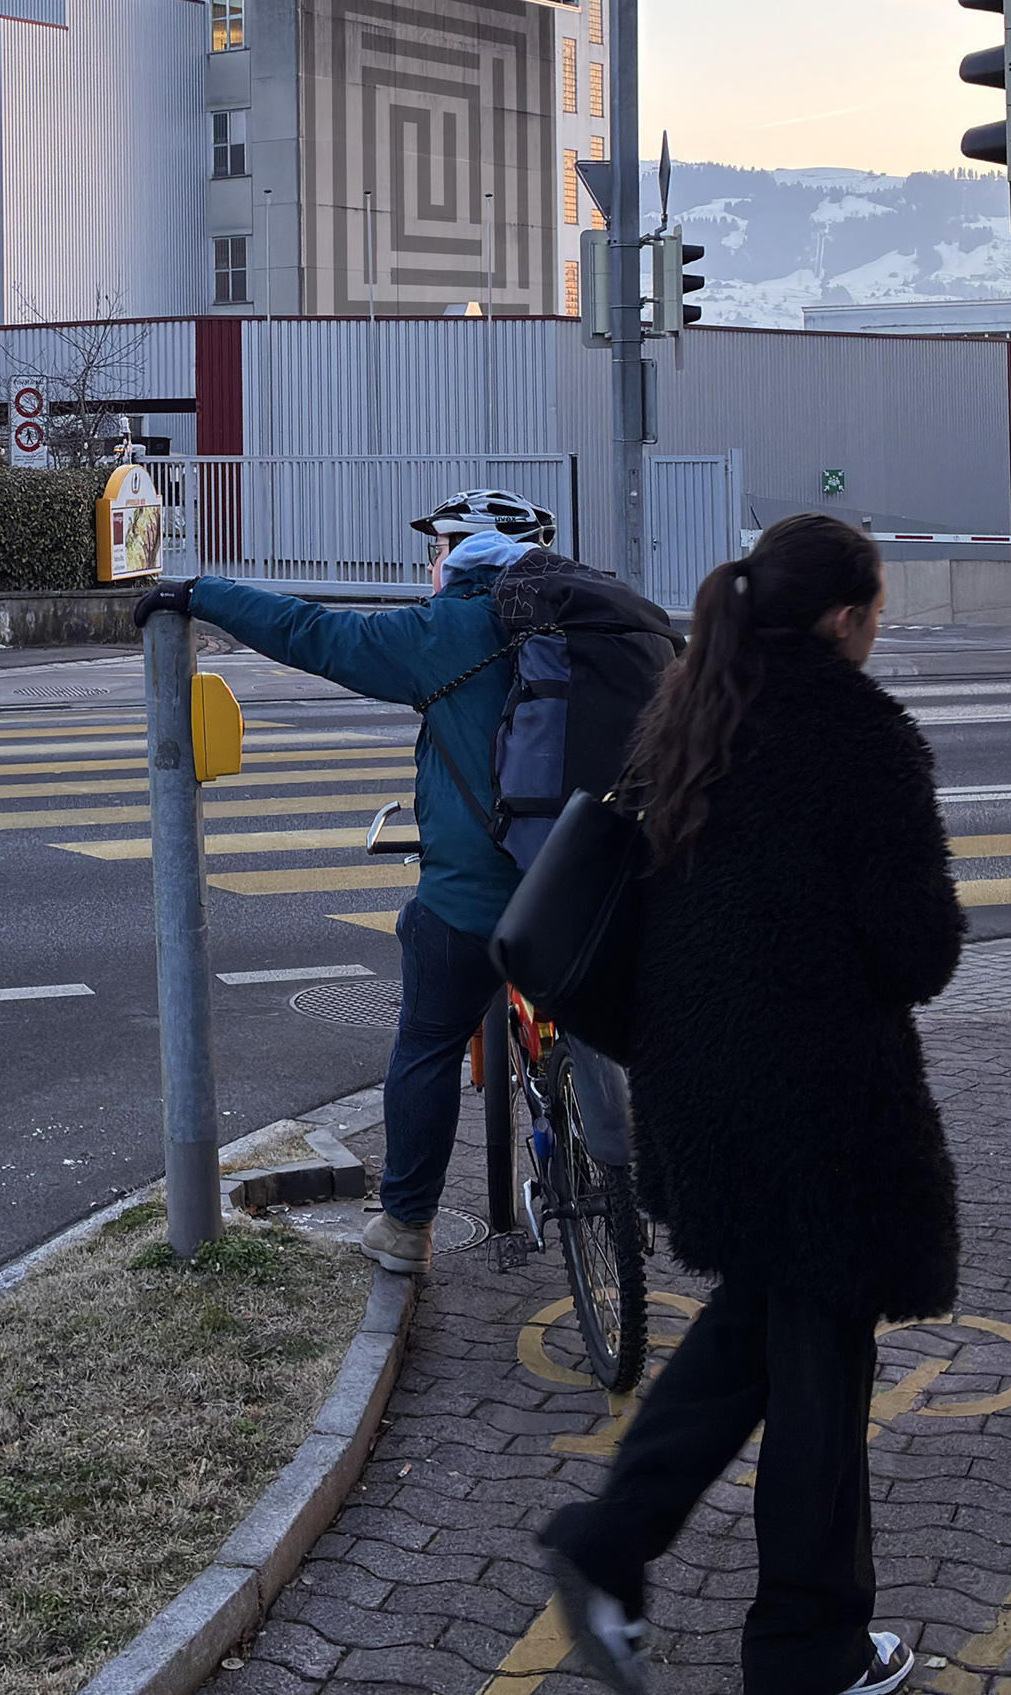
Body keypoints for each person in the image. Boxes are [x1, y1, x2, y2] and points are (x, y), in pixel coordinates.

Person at [538, 511, 962, 1695]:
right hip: (818, 1103)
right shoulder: (860, 737)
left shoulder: (690, 716)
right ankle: (805, 1646)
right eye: (876, 612)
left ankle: (610, 1538)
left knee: (755, 1322)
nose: (878, 634)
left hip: (699, 1088)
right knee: (822, 1347)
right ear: (845, 617)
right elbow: (919, 948)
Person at [133, 491, 673, 1276]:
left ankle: (408, 1226)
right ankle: (632, 1171)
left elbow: (313, 633)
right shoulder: (608, 622)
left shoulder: (445, 628)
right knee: (608, 1007)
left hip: (475, 900)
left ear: (458, 553)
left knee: (426, 1038)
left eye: (438, 549)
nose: (430, 564)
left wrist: (200, 593)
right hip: (594, 889)